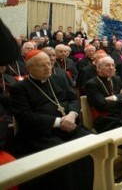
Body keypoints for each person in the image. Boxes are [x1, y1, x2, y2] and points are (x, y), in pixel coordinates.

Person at [9, 50, 93, 189]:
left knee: (91, 143)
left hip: (69, 126)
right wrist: (60, 122)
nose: (48, 68)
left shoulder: (58, 78)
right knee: (65, 156)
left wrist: (72, 114)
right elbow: (25, 116)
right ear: (30, 68)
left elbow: (73, 99)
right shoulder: (19, 88)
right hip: (41, 134)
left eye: (49, 63)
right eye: (42, 65)